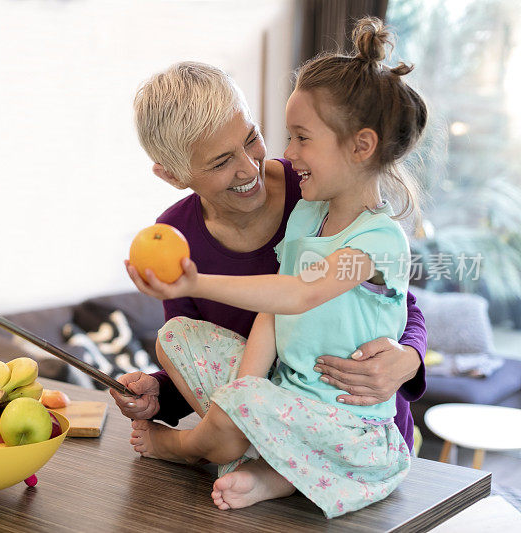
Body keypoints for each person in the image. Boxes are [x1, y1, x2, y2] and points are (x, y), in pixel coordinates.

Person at [112, 18, 428, 518]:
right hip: (276, 396)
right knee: (173, 337)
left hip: (350, 414)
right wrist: (164, 395)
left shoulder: (336, 206)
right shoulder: (194, 233)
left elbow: (332, 298)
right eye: (220, 162)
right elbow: (270, 314)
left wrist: (410, 357)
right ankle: (257, 456)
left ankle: (195, 447)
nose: (257, 164)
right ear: (173, 176)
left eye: (252, 138)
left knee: (241, 411)